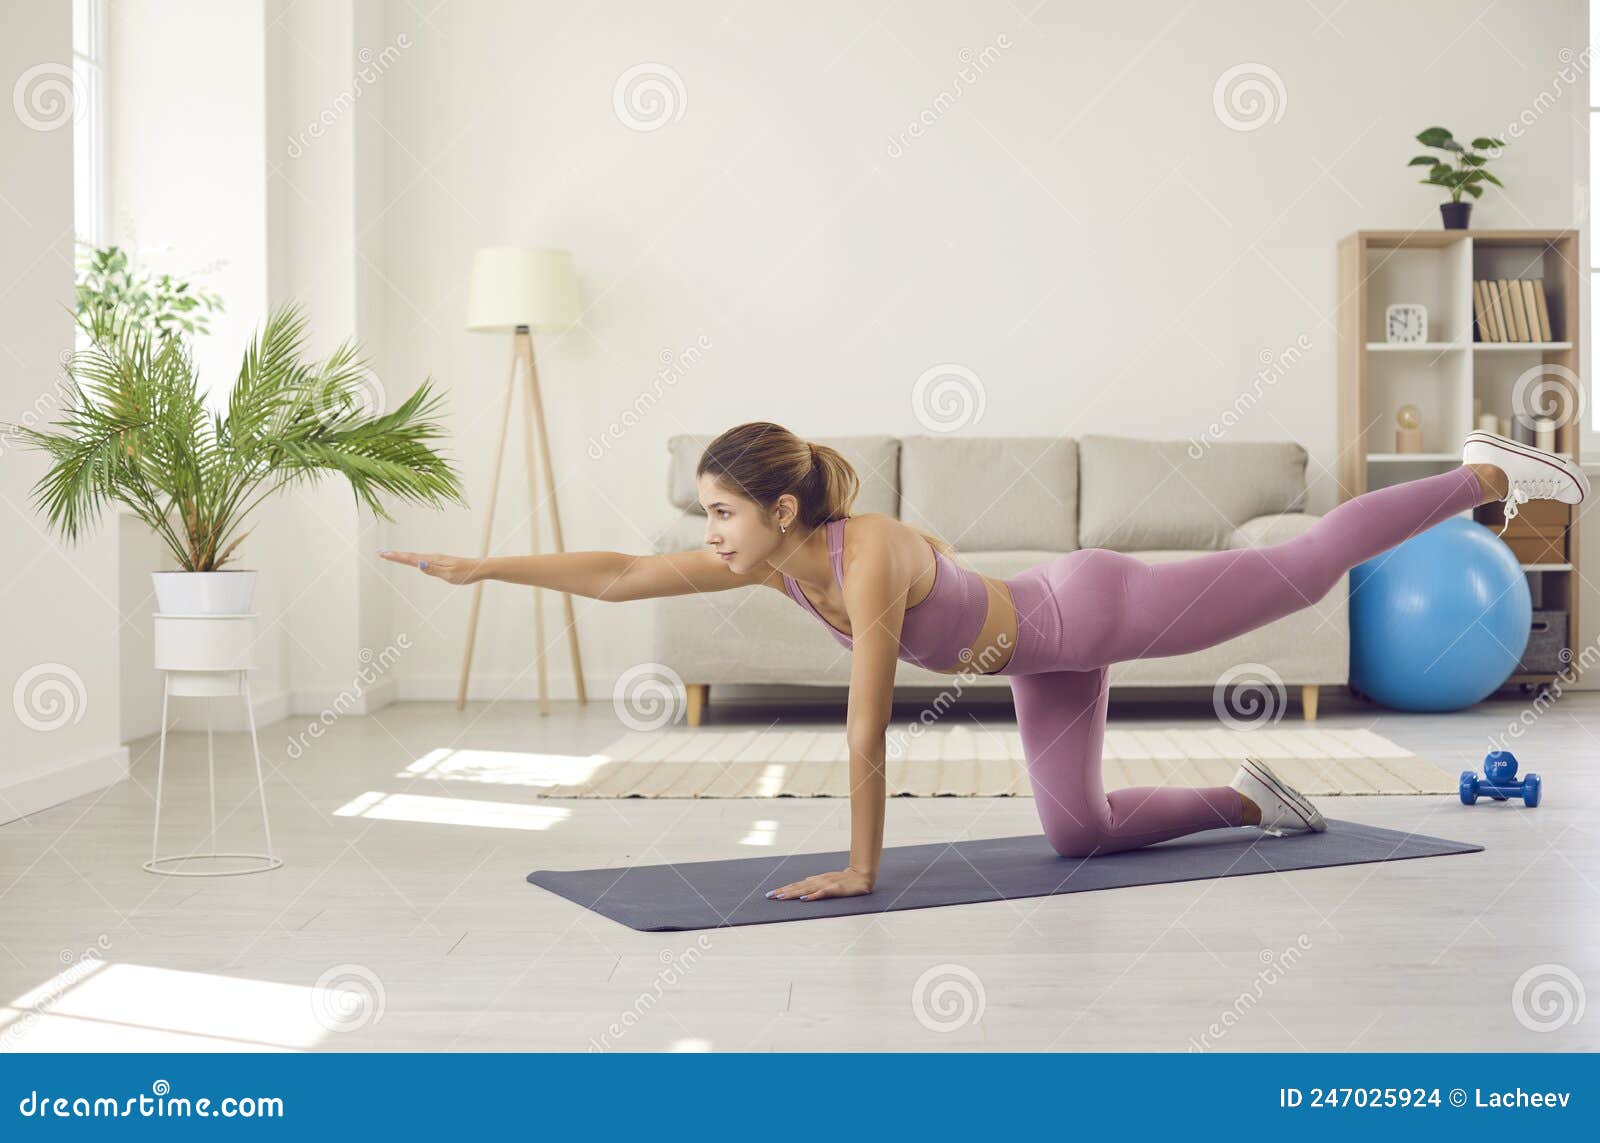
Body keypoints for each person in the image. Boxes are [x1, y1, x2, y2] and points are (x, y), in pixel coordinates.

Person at [379, 422, 1588, 903]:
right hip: (1044, 659)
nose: (709, 539)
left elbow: (866, 730)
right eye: (704, 515)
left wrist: (861, 869)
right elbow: (620, 572)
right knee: (1077, 836)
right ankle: (1250, 801)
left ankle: (1481, 476)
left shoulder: (862, 559)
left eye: (723, 516)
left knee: (1308, 566)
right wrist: (485, 571)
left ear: (786, 507)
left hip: (1093, 607)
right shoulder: (775, 562)